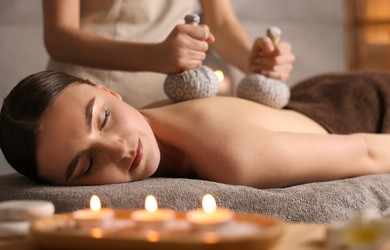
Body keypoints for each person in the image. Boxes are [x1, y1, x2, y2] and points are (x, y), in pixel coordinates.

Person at [2, 70, 390, 188]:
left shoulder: (237, 159)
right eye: (86, 165)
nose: (119, 149)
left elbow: (368, 152)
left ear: (106, 90)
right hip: (305, 101)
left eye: (103, 118)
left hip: (365, 104)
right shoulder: (144, 125)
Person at [42, 0, 295, 108]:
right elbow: (59, 37)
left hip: (168, 102)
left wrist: (256, 61)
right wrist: (155, 56)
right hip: (88, 94)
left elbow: (221, 22)